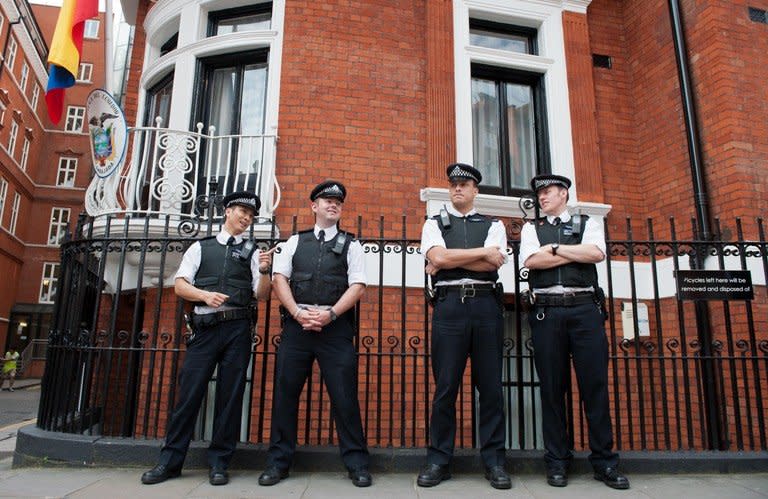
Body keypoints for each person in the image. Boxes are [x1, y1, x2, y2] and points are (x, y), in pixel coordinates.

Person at [141, 190, 273, 486]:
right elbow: (179, 285)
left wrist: (265, 270)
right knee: (188, 395)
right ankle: (170, 462)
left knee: (230, 399)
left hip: (238, 329)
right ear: (227, 211)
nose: (246, 218)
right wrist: (204, 295)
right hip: (205, 328)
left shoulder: (253, 252)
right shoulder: (202, 247)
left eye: (251, 216)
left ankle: (219, 464)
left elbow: (262, 295)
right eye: (241, 211)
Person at [258, 180, 371, 488]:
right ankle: (278, 463)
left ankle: (357, 463)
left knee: (345, 397)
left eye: (338, 201)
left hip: (335, 329)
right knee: (285, 395)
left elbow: (358, 286)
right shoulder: (295, 242)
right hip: (297, 327)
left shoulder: (352, 244)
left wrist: (330, 314)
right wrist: (297, 313)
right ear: (314, 206)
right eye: (326, 200)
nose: (333, 204)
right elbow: (280, 279)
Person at [519, 174, 630, 490]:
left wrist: (553, 249)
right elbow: (530, 260)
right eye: (539, 193)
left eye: (548, 192)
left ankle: (604, 463)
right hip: (547, 310)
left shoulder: (587, 222)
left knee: (594, 387)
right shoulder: (531, 229)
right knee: (552, 390)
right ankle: (557, 462)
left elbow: (595, 253)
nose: (542, 198)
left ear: (563, 193)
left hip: (584, 309)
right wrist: (568, 249)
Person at [417, 163, 511, 489]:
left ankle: (495, 462)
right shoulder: (433, 223)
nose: (457, 188)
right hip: (449, 306)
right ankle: (438, 460)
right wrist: (482, 253)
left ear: (475, 190)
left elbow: (493, 261)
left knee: (491, 388)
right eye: (453, 183)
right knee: (445, 389)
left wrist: (447, 257)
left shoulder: (494, 224)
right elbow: (438, 259)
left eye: (465, 183)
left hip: (486, 306)